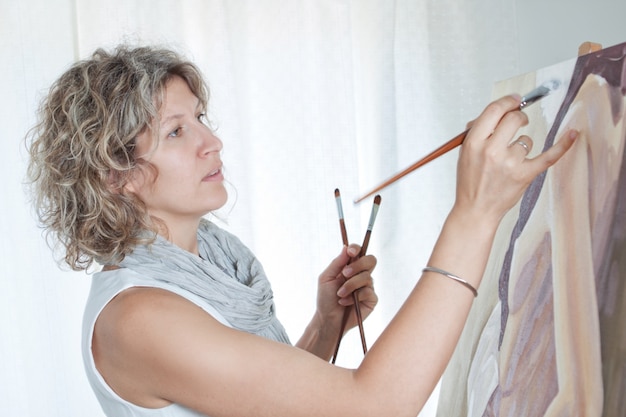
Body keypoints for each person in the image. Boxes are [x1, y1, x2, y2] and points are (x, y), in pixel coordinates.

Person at [26, 44, 578, 417]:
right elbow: (371, 409)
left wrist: (326, 326)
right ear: (115, 174)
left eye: (200, 118)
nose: (210, 141)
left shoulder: (213, 267)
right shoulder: (139, 318)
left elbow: (265, 403)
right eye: (175, 132)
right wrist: (475, 215)